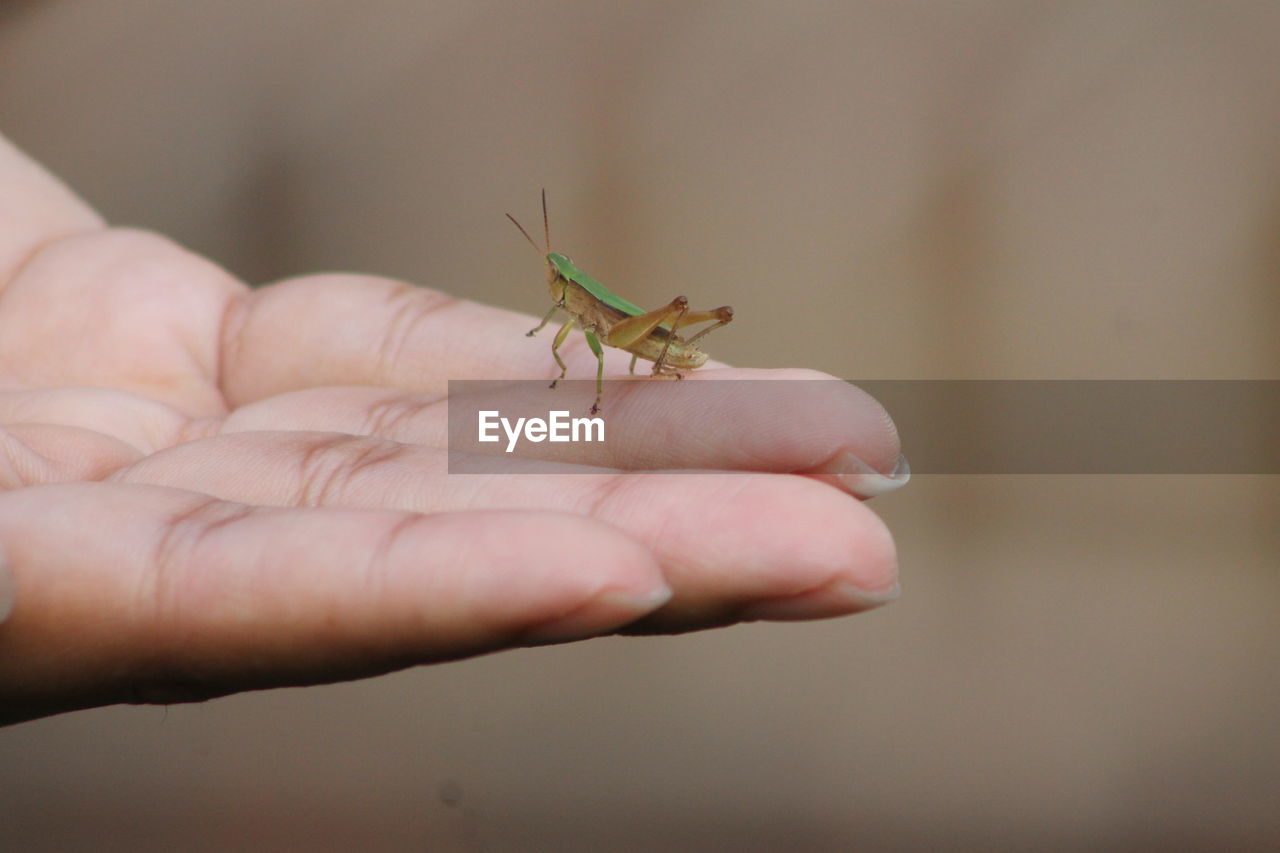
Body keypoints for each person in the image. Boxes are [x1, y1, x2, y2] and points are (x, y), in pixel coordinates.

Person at [0, 134, 905, 726]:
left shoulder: (584, 310)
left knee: (650, 333)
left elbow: (585, 334)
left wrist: (594, 375)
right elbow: (564, 333)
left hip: (644, 336)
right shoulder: (563, 305)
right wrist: (564, 356)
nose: (555, 284)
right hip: (624, 344)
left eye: (556, 272)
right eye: (554, 277)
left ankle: (682, 340)